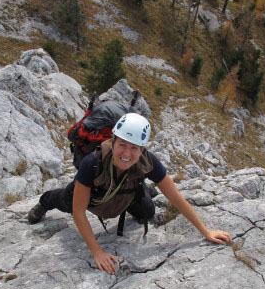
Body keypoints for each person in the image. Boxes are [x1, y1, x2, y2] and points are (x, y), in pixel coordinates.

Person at [28, 113, 232, 274]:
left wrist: (205, 231)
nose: (126, 153)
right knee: (62, 199)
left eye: (134, 148)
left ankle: (144, 189)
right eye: (122, 145)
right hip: (94, 197)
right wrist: (97, 252)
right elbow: (79, 212)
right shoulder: (93, 162)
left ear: (142, 149)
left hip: (124, 194)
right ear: (113, 141)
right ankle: (43, 203)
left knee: (147, 212)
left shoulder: (148, 161)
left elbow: (175, 197)